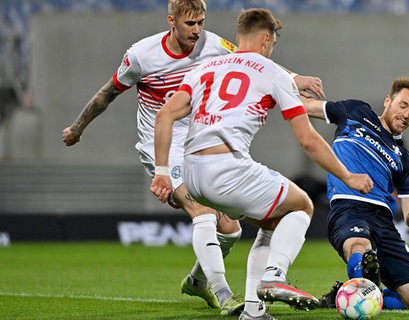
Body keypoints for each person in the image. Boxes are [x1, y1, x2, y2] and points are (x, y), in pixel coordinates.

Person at [61, 0, 325, 316]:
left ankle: (198, 281)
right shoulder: (141, 55)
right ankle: (225, 293)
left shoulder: (213, 45)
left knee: (229, 228)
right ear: (171, 21)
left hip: (198, 140)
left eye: (201, 22)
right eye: (190, 24)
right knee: (201, 210)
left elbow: (255, 61)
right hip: (160, 143)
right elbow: (107, 93)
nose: (197, 30)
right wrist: (77, 128)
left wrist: (294, 78)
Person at [150, 8, 373, 320]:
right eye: (273, 43)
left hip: (191, 174)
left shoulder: (205, 68)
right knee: (301, 206)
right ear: (266, 39)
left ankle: (254, 311)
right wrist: (348, 176)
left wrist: (162, 172)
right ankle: (274, 276)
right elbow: (308, 139)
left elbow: (164, 115)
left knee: (272, 221)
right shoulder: (272, 72)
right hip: (226, 169)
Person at [301, 76, 409, 310]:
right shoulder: (355, 112)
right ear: (387, 101)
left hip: (384, 222)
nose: (407, 114)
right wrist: (283, 82)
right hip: (349, 208)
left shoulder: (404, 158)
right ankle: (362, 278)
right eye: (403, 105)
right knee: (359, 248)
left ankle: (347, 294)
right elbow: (304, 106)